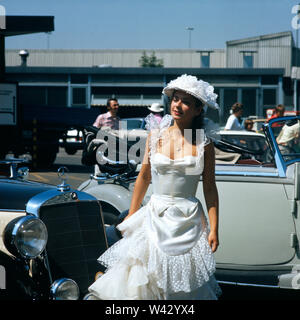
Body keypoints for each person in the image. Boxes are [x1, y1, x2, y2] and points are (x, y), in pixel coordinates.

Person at [88, 74, 221, 300]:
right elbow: (144, 177)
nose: (178, 105)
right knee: (140, 280)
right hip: (153, 216)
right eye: (175, 98)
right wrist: (132, 213)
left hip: (187, 220)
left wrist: (215, 228)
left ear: (199, 110)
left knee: (183, 287)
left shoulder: (204, 144)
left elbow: (209, 187)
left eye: (186, 101)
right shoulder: (155, 136)